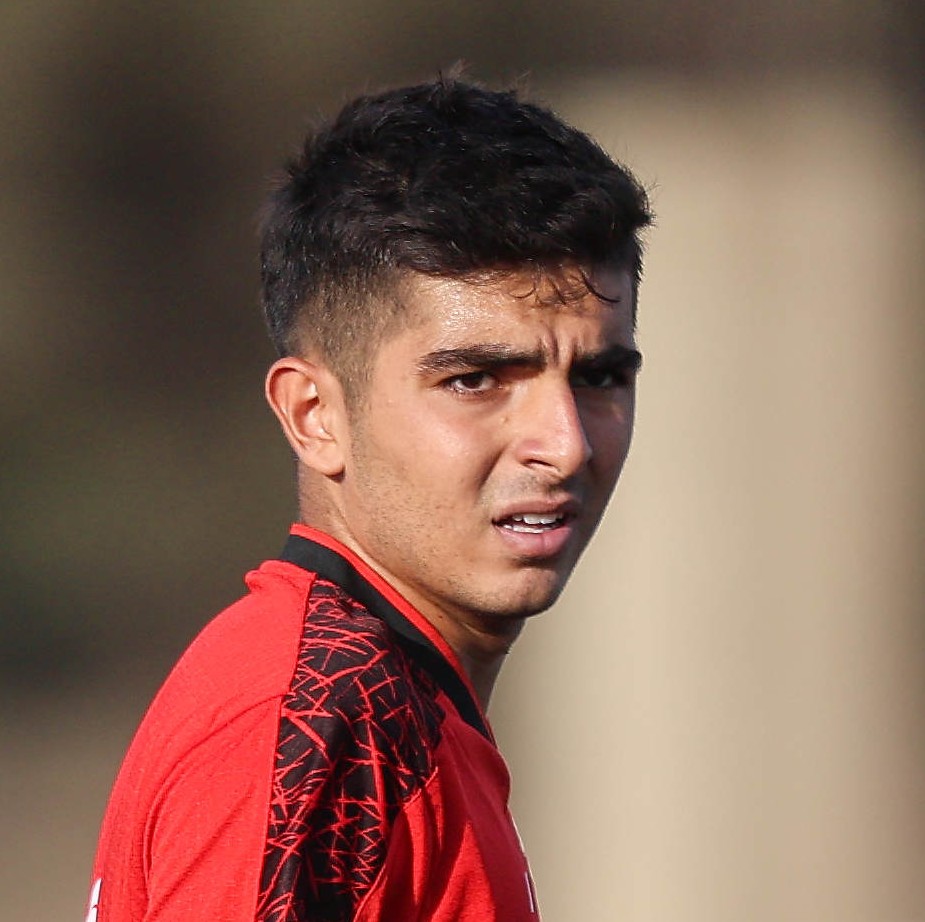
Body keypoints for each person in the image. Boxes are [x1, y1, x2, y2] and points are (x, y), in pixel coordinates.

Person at [86, 74, 652, 922]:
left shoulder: (391, 710)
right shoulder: (321, 720)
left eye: (600, 377)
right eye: (474, 380)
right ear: (314, 415)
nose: (564, 443)